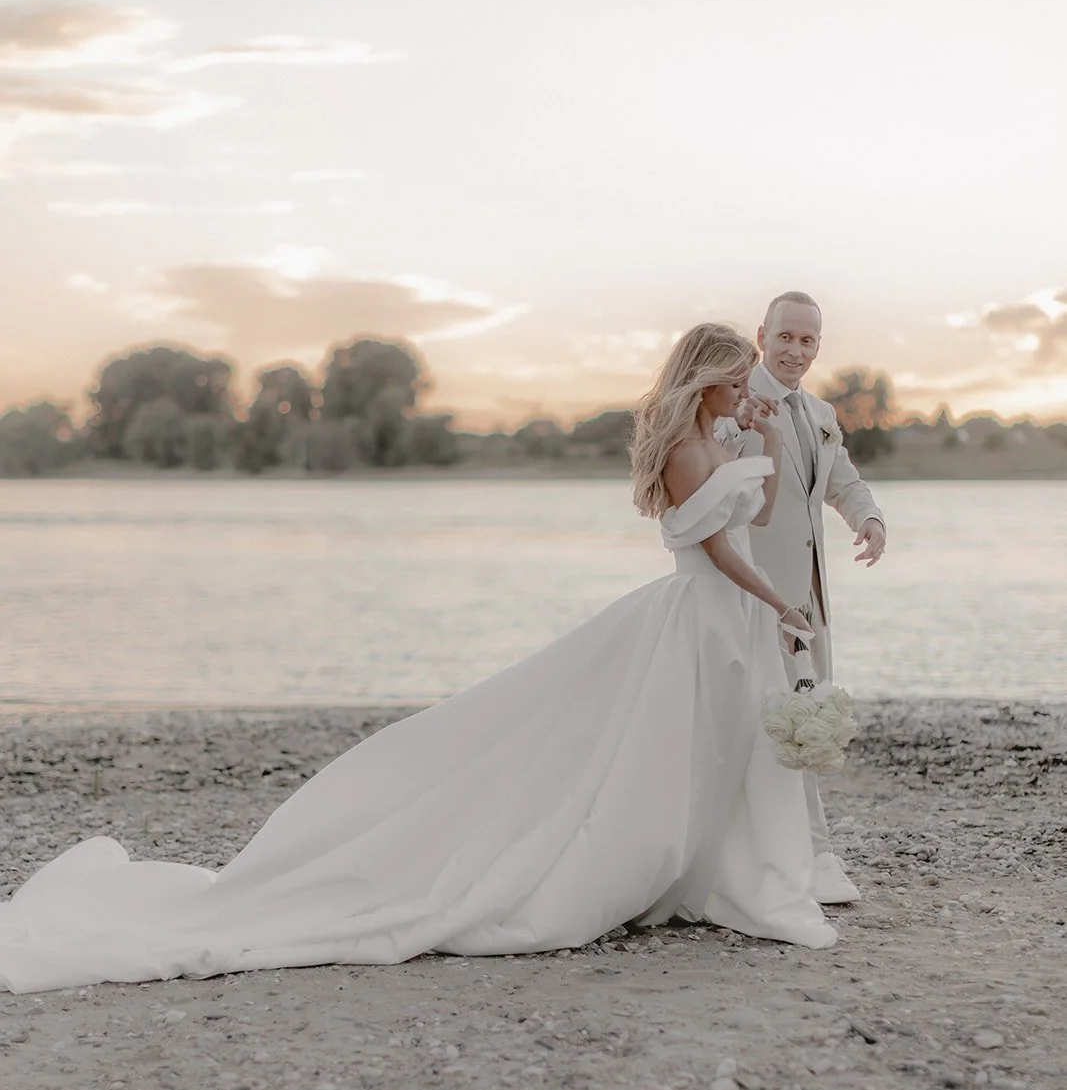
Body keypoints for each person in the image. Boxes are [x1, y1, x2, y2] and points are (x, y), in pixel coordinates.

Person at [0, 324, 838, 995]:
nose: (744, 390)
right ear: (703, 379)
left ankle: (706, 866)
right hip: (706, 609)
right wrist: (777, 604)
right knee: (662, 742)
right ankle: (654, 866)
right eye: (733, 380)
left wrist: (757, 444)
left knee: (718, 744)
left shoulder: (722, 439)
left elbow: (755, 513)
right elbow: (718, 551)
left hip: (729, 615)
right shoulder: (689, 452)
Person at [733, 291, 886, 905]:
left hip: (810, 595)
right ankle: (815, 854)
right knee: (784, 717)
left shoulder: (820, 411)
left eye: (808, 341)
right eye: (786, 337)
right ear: (762, 335)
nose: (796, 350)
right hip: (752, 592)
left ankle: (790, 848)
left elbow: (841, 481)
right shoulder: (733, 402)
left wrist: (869, 518)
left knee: (796, 714)